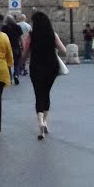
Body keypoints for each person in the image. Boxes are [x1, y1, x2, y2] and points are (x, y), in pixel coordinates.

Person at [22, 11, 66, 139]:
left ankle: (40, 122)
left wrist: (21, 63)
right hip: (51, 67)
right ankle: (45, 122)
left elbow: (25, 52)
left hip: (36, 67)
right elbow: (63, 50)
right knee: (46, 93)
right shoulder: (52, 34)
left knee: (38, 94)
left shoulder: (31, 36)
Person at [1, 16, 24, 84]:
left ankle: (9, 78)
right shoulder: (17, 27)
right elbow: (21, 38)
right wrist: (23, 46)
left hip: (6, 47)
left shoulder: (4, 27)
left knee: (8, 63)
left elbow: (2, 38)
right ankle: (16, 75)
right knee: (17, 63)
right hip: (16, 47)